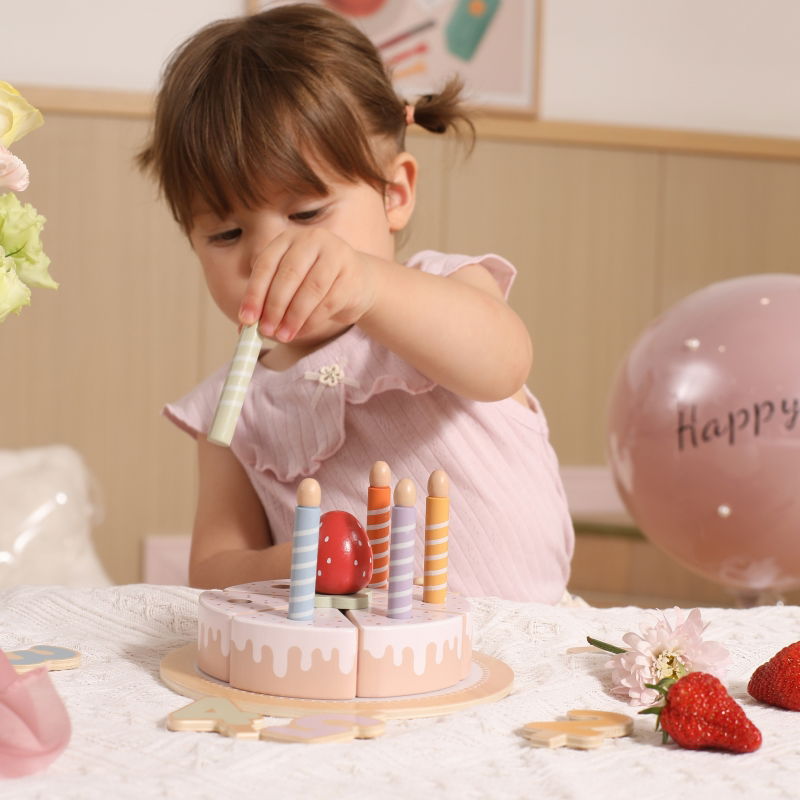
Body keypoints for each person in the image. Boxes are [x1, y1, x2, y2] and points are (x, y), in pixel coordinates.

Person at [139, 3, 574, 602]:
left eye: (307, 214)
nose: (269, 255)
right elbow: (212, 568)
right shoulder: (231, 406)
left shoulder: (446, 289)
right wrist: (293, 560)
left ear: (394, 194)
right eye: (226, 234)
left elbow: (503, 364)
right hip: (356, 656)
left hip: (525, 640)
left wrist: (367, 284)